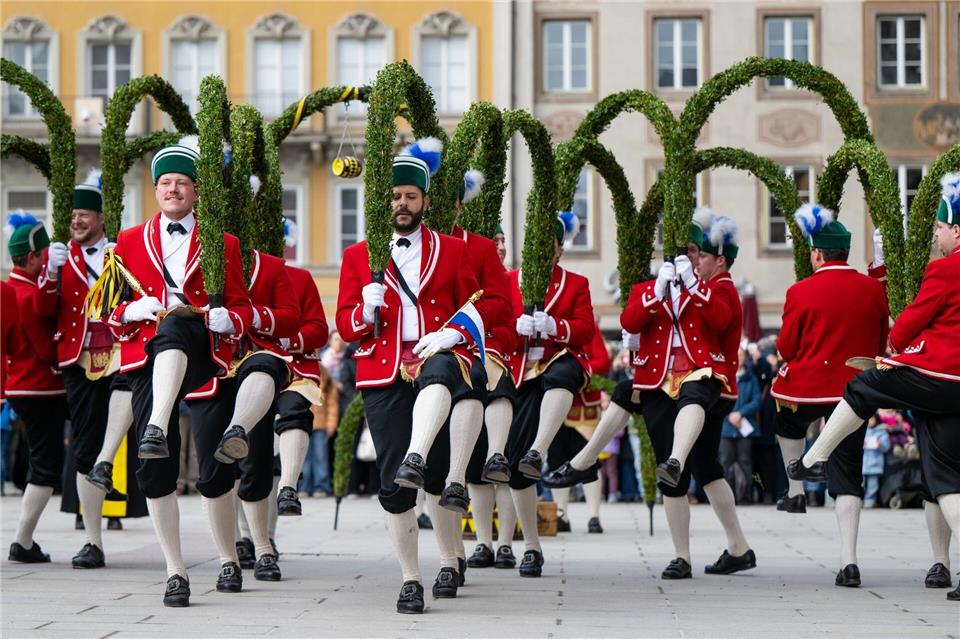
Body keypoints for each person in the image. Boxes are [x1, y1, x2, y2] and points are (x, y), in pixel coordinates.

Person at [789, 174, 960, 601]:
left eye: (940, 228)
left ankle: (814, 457)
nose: (936, 235)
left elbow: (907, 324)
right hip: (951, 383)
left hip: (939, 374)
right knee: (945, 479)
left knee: (865, 386)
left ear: (957, 230)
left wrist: (898, 344)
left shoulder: (946, 269)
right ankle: (944, 565)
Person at [335, 137, 485, 613]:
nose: (402, 203)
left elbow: (479, 306)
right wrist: (364, 309)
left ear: (424, 201)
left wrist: (452, 334)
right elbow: (343, 323)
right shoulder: (358, 255)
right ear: (386, 201)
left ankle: (447, 560)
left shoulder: (453, 251)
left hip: (436, 357)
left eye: (411, 196)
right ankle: (409, 577)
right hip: (382, 369)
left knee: (437, 472)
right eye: (396, 196)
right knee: (392, 483)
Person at [105, 140, 253, 606]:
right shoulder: (128, 241)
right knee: (154, 469)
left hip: (204, 352)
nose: (173, 189)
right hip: (145, 358)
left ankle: (228, 557)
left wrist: (231, 318)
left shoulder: (222, 242)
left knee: (213, 469)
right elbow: (110, 312)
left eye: (181, 182)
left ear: (196, 192)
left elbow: (243, 306)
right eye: (165, 183)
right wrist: (135, 308)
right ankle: (176, 571)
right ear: (155, 191)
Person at [628, 210, 755, 579]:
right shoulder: (660, 285)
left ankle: (674, 462)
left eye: (695, 254)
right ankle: (724, 549)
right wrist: (658, 289)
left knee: (690, 462)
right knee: (705, 468)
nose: (690, 260)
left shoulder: (719, 287)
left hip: (703, 381)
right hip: (660, 382)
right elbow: (631, 321)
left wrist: (691, 284)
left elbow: (720, 320)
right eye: (684, 254)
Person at [773, 203, 889, 588]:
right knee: (848, 472)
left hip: (807, 388)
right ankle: (849, 561)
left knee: (784, 419)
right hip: (853, 391)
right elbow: (879, 343)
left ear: (818, 253)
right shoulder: (873, 289)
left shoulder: (800, 291)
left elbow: (787, 348)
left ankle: (795, 490)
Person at [34, 170, 141, 569]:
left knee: (132, 416)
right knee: (84, 443)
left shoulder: (121, 252)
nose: (76, 222)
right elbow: (43, 312)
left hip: (118, 350)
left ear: (99, 219)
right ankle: (93, 541)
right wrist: (49, 274)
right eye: (72, 216)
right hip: (79, 359)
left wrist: (122, 265)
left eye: (83, 215)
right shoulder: (60, 258)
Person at [183, 248, 300, 590]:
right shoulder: (188, 256)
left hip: (255, 369)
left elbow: (290, 318)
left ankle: (263, 548)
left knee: (258, 467)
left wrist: (247, 317)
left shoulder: (271, 265)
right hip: (209, 371)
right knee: (212, 473)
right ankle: (227, 559)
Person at [504, 212, 597, 577]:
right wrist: (515, 327)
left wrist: (554, 325)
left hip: (560, 359)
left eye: (550, 244)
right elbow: (495, 328)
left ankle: (538, 452)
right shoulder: (508, 280)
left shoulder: (576, 283)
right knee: (514, 468)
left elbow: (587, 329)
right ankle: (530, 545)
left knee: (562, 375)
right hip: (521, 370)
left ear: (559, 249)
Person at [5, 214, 68, 564]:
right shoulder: (27, 294)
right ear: (31, 258)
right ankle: (22, 540)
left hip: (20, 386)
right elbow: (47, 350)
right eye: (43, 253)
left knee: (38, 460)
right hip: (42, 387)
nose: (46, 259)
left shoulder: (8, 289)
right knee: (45, 466)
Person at [274, 263, 330, 516]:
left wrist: (286, 340)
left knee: (294, 414)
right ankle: (248, 537)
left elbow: (318, 329)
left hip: (293, 371)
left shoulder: (300, 277)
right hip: (241, 371)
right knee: (247, 467)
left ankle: (289, 487)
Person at [548, 323, 610, 533]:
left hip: (583, 407)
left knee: (589, 460)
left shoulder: (587, 329)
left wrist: (575, 372)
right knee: (556, 460)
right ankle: (561, 514)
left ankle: (594, 515)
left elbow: (602, 362)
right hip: (555, 406)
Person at [719, 348, 762, 504]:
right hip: (725, 427)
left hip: (745, 427)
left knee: (745, 460)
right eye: (736, 354)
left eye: (741, 355)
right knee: (725, 461)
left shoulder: (751, 378)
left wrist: (741, 413)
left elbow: (757, 400)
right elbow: (717, 398)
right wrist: (730, 414)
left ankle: (745, 495)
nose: (738, 357)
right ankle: (725, 497)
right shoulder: (723, 376)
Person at [862, 416, 890, 508]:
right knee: (860, 483)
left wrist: (880, 445)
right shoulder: (862, 431)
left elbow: (886, 447)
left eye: (872, 419)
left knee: (873, 485)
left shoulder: (882, 432)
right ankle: (859, 499)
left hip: (875, 463)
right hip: (862, 464)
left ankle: (870, 500)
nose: (870, 421)